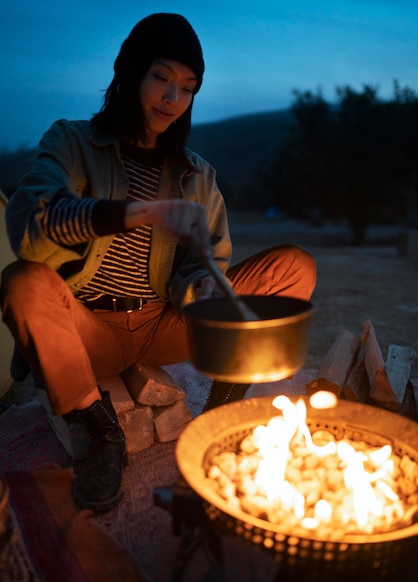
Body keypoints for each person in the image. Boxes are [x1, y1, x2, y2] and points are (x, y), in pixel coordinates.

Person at [0, 13, 316, 512]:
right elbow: (29, 228)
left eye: (188, 88)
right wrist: (136, 212)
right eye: (161, 78)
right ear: (129, 73)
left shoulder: (197, 175)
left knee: (294, 266)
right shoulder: (72, 142)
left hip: (163, 324)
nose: (173, 99)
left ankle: (221, 410)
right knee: (21, 281)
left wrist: (205, 291)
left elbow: (205, 263)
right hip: (89, 329)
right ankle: (98, 431)